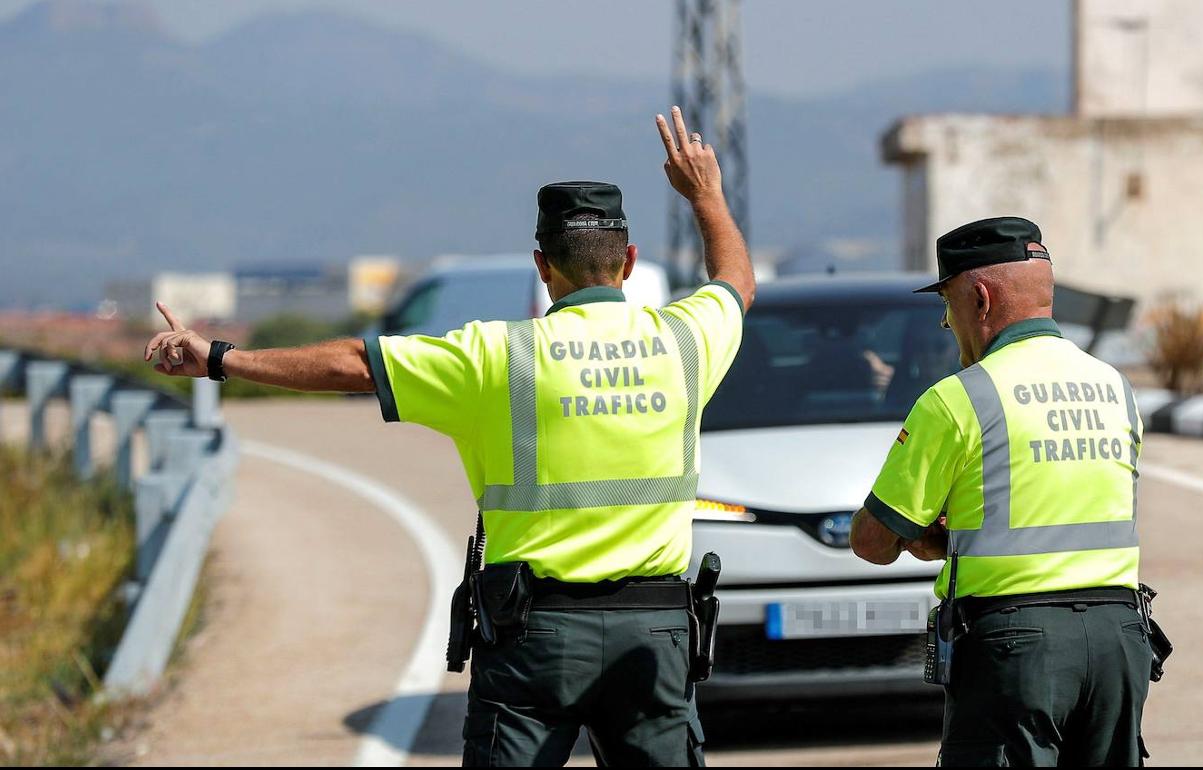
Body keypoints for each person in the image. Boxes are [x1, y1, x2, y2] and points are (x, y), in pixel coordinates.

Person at [142, 105, 755, 767]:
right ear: (629, 261)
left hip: (535, 638)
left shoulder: (496, 356)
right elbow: (735, 284)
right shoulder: (687, 340)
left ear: (541, 265)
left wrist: (219, 358)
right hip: (653, 634)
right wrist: (707, 195)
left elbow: (354, 362)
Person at [848, 217, 1152, 767]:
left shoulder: (960, 399)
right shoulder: (1116, 388)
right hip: (1119, 639)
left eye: (948, 305)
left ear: (980, 299)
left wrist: (927, 537)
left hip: (1017, 646)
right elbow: (1062, 509)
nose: (947, 321)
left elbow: (873, 542)